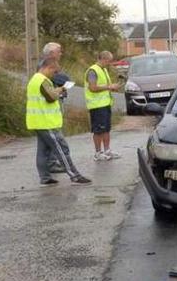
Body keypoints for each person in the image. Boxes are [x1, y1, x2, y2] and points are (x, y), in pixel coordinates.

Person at [26, 57, 91, 185]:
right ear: (47, 68)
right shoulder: (42, 81)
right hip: (46, 122)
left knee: (43, 151)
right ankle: (75, 176)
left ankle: (45, 178)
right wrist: (61, 89)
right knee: (62, 148)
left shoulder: (35, 79)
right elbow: (51, 97)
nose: (54, 75)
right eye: (54, 71)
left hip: (39, 122)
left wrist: (58, 90)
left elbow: (48, 95)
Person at [39, 43, 70, 173]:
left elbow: (64, 79)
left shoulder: (52, 65)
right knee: (53, 139)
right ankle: (52, 164)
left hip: (54, 105)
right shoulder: (44, 66)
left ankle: (50, 165)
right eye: (59, 51)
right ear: (51, 53)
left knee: (50, 140)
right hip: (48, 110)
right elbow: (63, 78)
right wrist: (62, 82)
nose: (60, 54)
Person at [85, 51, 121, 161]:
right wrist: (109, 87)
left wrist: (112, 87)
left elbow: (105, 86)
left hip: (105, 104)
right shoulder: (92, 71)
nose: (109, 64)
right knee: (98, 130)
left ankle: (107, 150)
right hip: (96, 106)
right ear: (103, 59)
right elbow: (93, 88)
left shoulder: (103, 69)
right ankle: (98, 153)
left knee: (106, 128)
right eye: (109, 61)